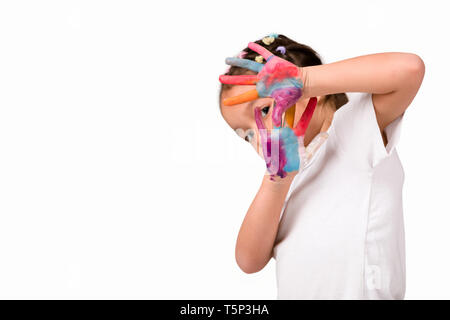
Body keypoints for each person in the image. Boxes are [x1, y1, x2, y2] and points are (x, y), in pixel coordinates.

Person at [218, 34, 425, 299]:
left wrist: (306, 80)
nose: (258, 137)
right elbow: (249, 261)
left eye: (265, 111)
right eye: (246, 134)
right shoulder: (284, 179)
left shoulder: (356, 128)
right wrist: (277, 182)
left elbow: (410, 69)